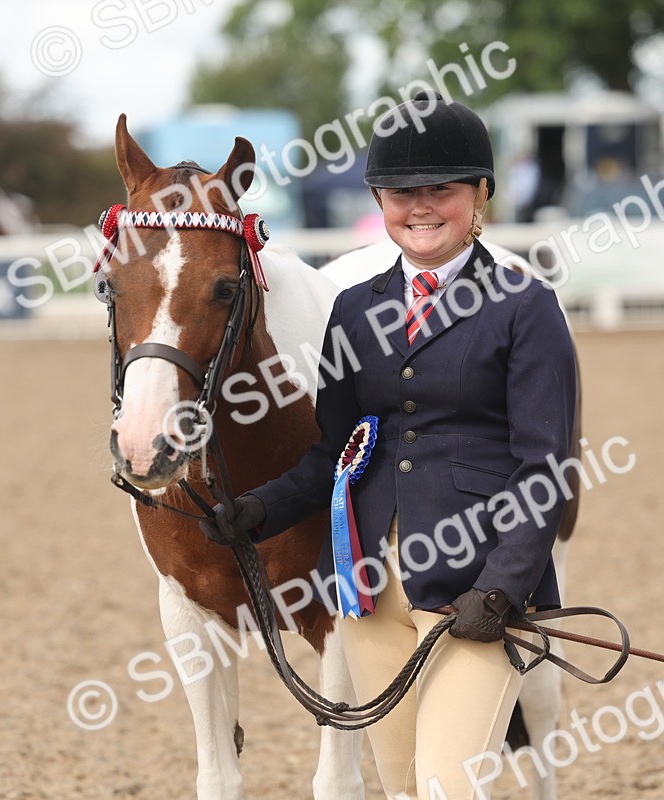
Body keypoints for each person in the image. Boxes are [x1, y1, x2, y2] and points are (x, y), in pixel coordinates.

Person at [202, 92, 577, 799]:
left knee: (447, 787)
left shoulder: (525, 307)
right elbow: (335, 452)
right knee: (402, 790)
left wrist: (501, 588)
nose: (422, 207)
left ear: (480, 194)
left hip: (474, 594)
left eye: (443, 189)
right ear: (379, 198)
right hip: (368, 594)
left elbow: (543, 471)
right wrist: (259, 509)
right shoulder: (357, 308)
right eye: (403, 193)